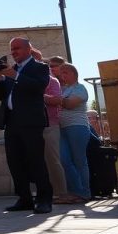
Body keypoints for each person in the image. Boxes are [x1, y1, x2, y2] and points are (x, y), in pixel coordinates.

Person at [0, 38, 53, 215]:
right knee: (15, 161)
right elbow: (0, 96)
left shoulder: (39, 67)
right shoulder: (13, 70)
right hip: (12, 122)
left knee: (36, 161)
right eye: (12, 49)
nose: (13, 52)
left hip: (31, 122)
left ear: (28, 49)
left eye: (17, 48)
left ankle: (44, 199)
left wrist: (15, 76)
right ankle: (24, 199)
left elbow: (39, 87)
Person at [57, 63, 91, 203]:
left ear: (73, 74)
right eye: (61, 73)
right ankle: (75, 191)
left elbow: (70, 104)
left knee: (79, 161)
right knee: (64, 160)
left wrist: (53, 99)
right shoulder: (63, 89)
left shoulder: (80, 88)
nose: (62, 75)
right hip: (62, 128)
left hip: (77, 126)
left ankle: (84, 192)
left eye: (65, 72)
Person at [43, 55, 72, 204]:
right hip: (36, 125)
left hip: (50, 124)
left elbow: (56, 100)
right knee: (41, 161)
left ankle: (62, 193)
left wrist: (38, 95)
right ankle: (48, 193)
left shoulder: (52, 81)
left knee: (53, 160)